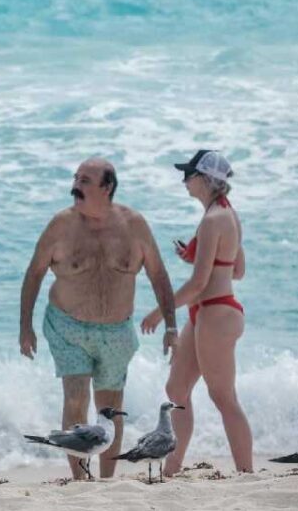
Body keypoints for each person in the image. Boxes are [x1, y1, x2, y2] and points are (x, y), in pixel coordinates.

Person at [19, 157, 177, 479]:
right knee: (76, 399)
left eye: (85, 180)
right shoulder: (60, 225)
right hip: (67, 327)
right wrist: (26, 327)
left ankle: (106, 481)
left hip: (117, 331)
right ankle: (80, 482)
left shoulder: (134, 225)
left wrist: (171, 325)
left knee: (110, 408)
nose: (76, 185)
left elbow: (159, 275)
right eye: (76, 177)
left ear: (107, 187)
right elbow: (34, 274)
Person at [142, 150, 252, 474]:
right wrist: (202, 257)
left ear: (205, 179)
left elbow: (198, 283)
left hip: (216, 314)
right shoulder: (226, 215)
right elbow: (238, 269)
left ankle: (246, 474)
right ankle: (171, 469)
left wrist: (160, 312)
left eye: (189, 174)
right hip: (210, 312)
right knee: (176, 390)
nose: (184, 180)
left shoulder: (213, 220)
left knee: (223, 398)